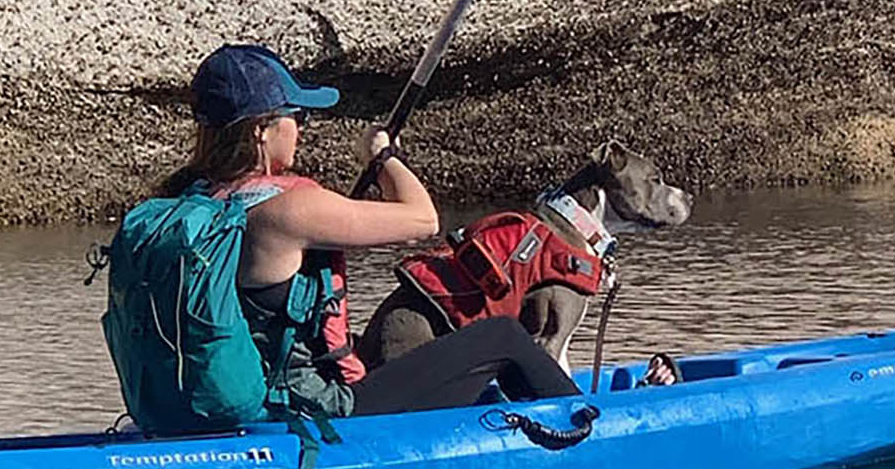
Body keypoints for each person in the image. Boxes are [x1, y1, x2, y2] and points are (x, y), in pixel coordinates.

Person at [163, 43, 587, 420]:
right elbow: (423, 219)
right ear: (261, 129)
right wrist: (382, 156)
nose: (302, 127)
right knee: (504, 337)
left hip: (220, 398)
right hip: (312, 406)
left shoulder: (184, 201)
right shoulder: (289, 209)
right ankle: (590, 431)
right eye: (296, 115)